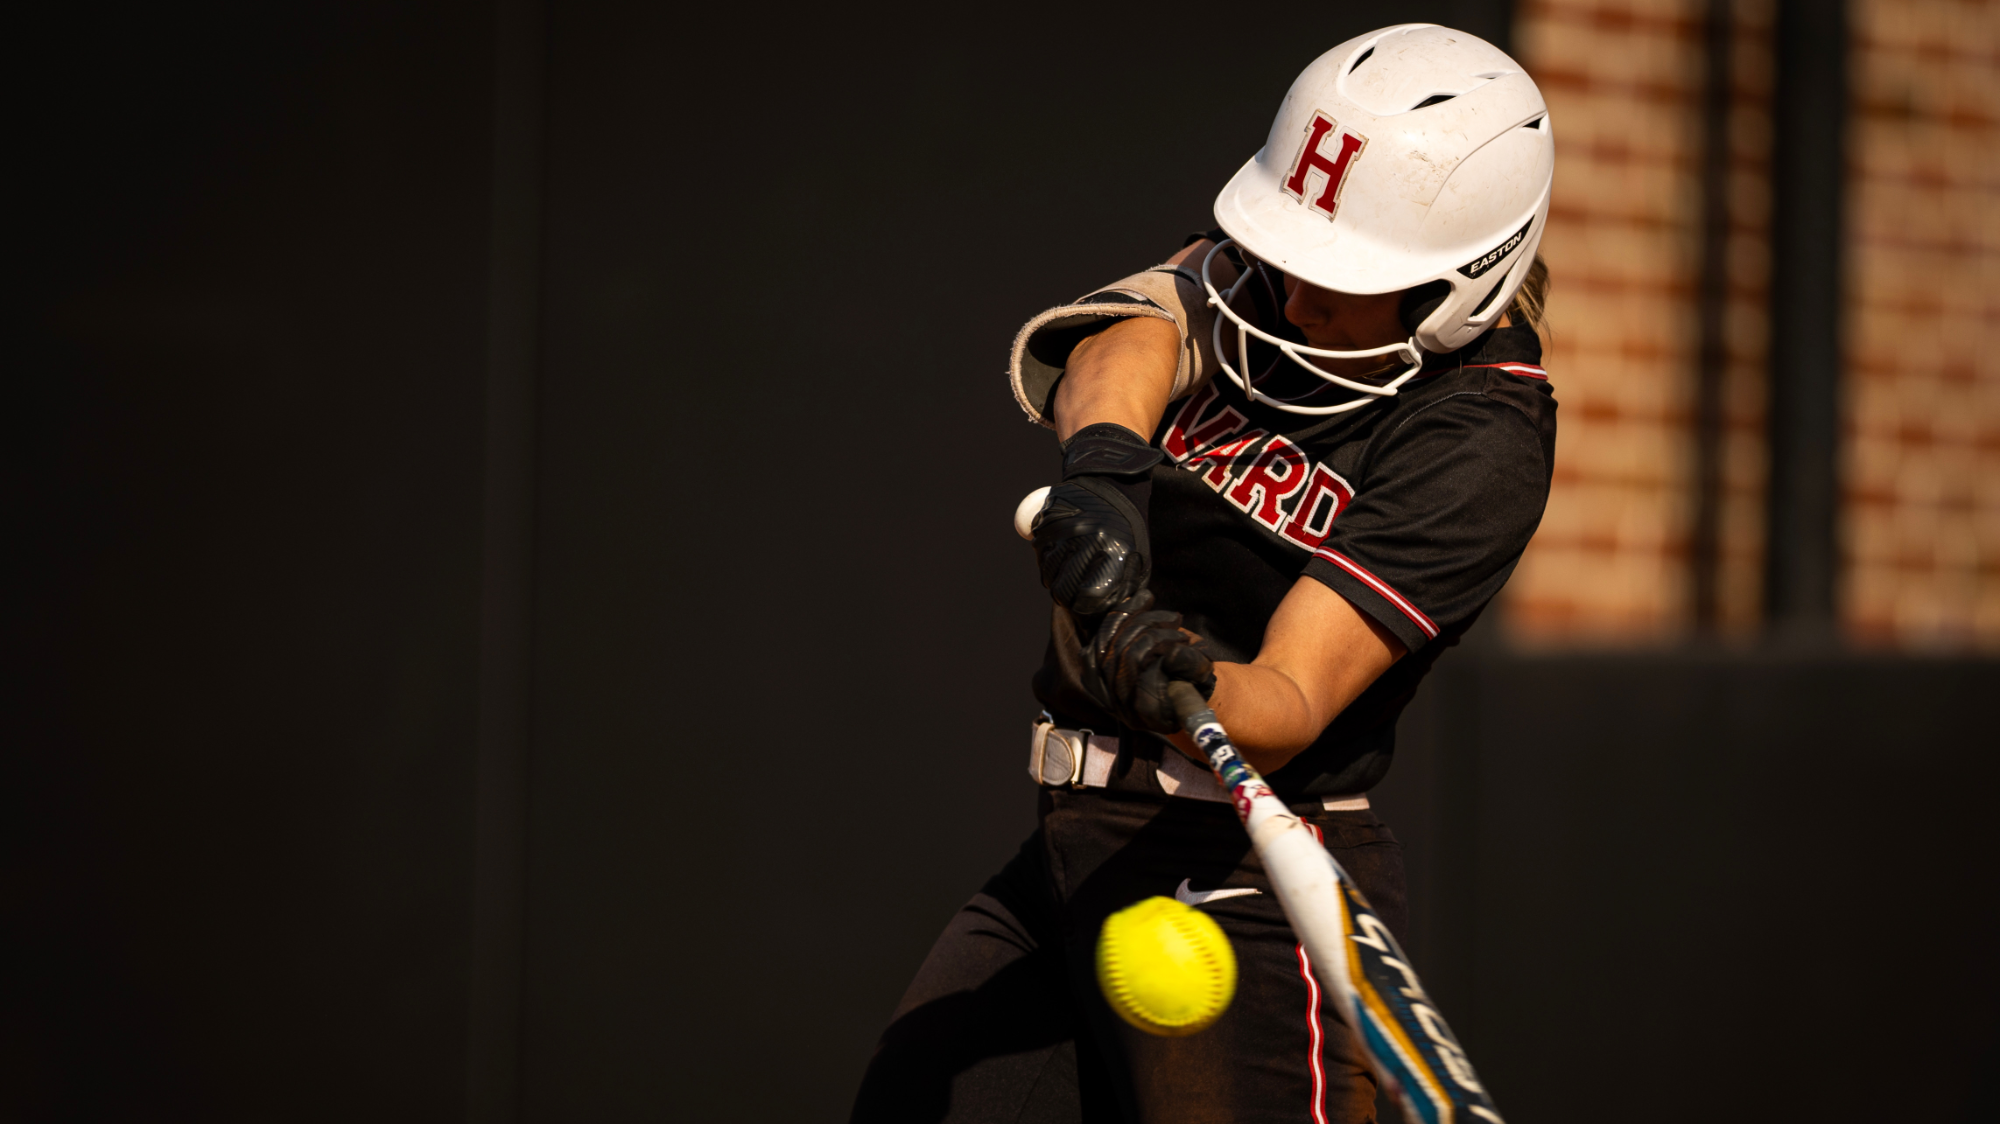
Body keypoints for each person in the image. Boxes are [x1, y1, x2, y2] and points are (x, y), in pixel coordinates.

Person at [851, 24, 1556, 1124]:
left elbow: (1281, 701)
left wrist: (1164, 672)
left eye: (1337, 278)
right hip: (1074, 837)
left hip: (1246, 869)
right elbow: (1127, 335)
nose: (1288, 291)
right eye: (1285, 254)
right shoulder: (1259, 283)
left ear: (1457, 286)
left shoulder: (1481, 437)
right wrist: (1102, 477)